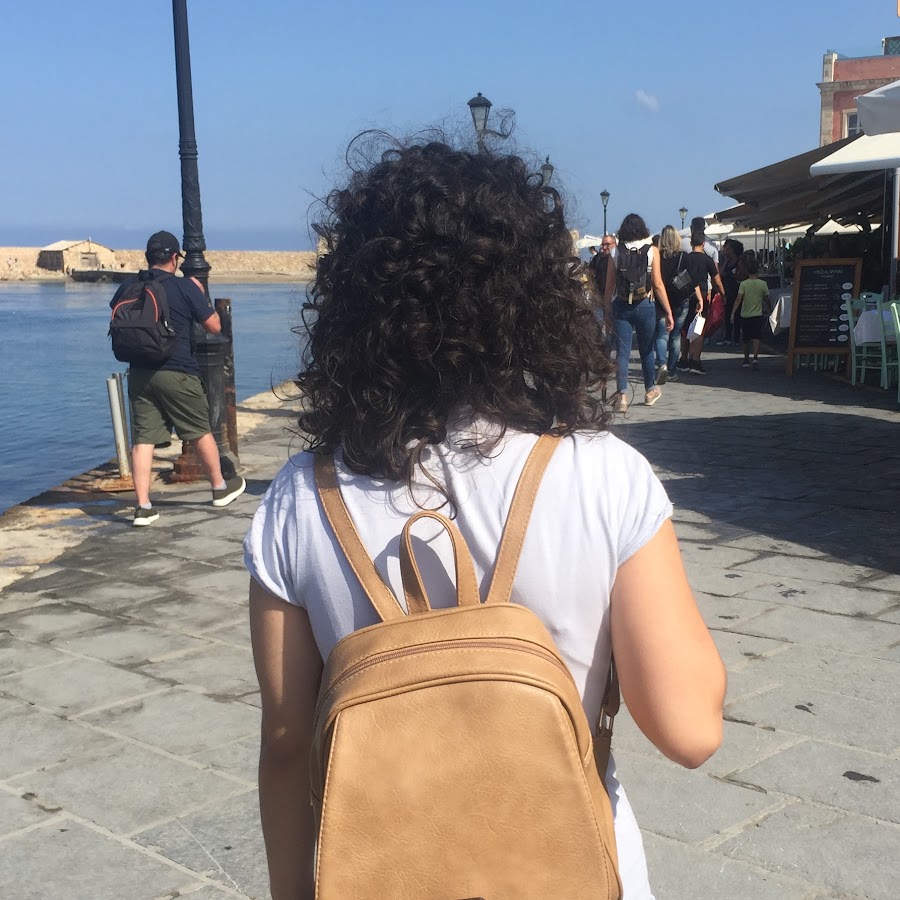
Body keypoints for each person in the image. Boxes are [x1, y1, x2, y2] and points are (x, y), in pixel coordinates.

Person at [244, 138, 725, 900]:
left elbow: (285, 746)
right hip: (571, 872)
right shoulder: (604, 475)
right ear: (535, 298)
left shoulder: (302, 498)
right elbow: (690, 729)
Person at [111, 231, 246, 525]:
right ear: (174, 258)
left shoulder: (129, 286)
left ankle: (143, 507)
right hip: (178, 371)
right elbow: (214, 326)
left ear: (148, 257)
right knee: (199, 429)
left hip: (140, 373)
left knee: (143, 439)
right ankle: (220, 488)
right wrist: (199, 292)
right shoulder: (184, 287)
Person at [602, 213, 674, 410]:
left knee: (622, 352)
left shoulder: (615, 252)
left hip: (621, 305)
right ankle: (650, 391)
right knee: (647, 350)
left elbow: (609, 287)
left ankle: (622, 396)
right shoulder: (652, 251)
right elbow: (658, 284)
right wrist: (668, 311)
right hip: (645, 305)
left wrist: (607, 312)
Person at [655, 225, 702, 381]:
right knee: (675, 336)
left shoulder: (657, 256)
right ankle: (671, 371)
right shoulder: (684, 257)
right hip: (681, 300)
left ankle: (662, 364)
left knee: (662, 335)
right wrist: (699, 298)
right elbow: (693, 280)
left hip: (661, 300)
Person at [677, 230, 725, 376]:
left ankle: (683, 359)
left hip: (687, 294)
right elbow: (716, 279)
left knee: (685, 328)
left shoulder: (685, 258)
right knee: (699, 328)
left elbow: (680, 278)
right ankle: (695, 361)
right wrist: (722, 294)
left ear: (691, 243)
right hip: (703, 295)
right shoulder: (707, 260)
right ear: (703, 244)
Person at [732, 253, 768, 369]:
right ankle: (755, 357)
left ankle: (746, 359)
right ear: (758, 271)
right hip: (758, 314)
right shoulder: (763, 284)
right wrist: (770, 308)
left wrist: (733, 313)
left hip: (745, 314)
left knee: (746, 338)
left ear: (747, 271)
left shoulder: (743, 284)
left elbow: (738, 299)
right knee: (757, 337)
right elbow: (766, 298)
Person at [717, 238, 744, 346]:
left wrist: (734, 275)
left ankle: (736, 338)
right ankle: (728, 337)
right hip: (727, 291)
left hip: (736, 291)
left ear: (732, 250)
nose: (724, 250)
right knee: (727, 314)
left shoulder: (739, 261)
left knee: (736, 315)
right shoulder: (727, 261)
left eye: (727, 248)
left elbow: (742, 276)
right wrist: (726, 261)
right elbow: (721, 273)